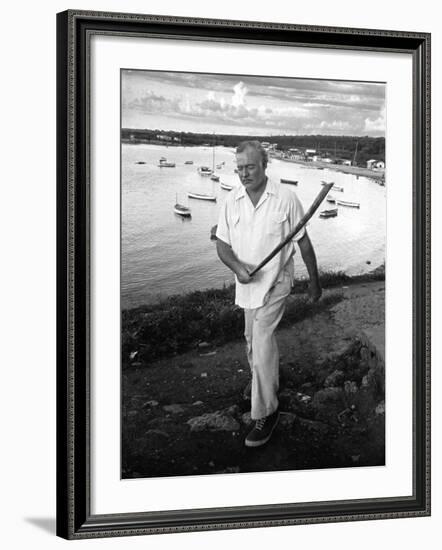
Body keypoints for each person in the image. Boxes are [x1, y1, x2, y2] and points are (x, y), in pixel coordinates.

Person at [216, 140, 322, 448]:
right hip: (247, 284)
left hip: (277, 281)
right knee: (251, 339)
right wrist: (237, 267)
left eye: (250, 167)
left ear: (265, 165)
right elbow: (222, 245)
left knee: (261, 337)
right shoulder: (231, 201)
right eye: (239, 168)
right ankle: (263, 379)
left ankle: (266, 412)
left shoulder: (286, 198)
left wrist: (314, 281)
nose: (244, 174)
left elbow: (303, 243)